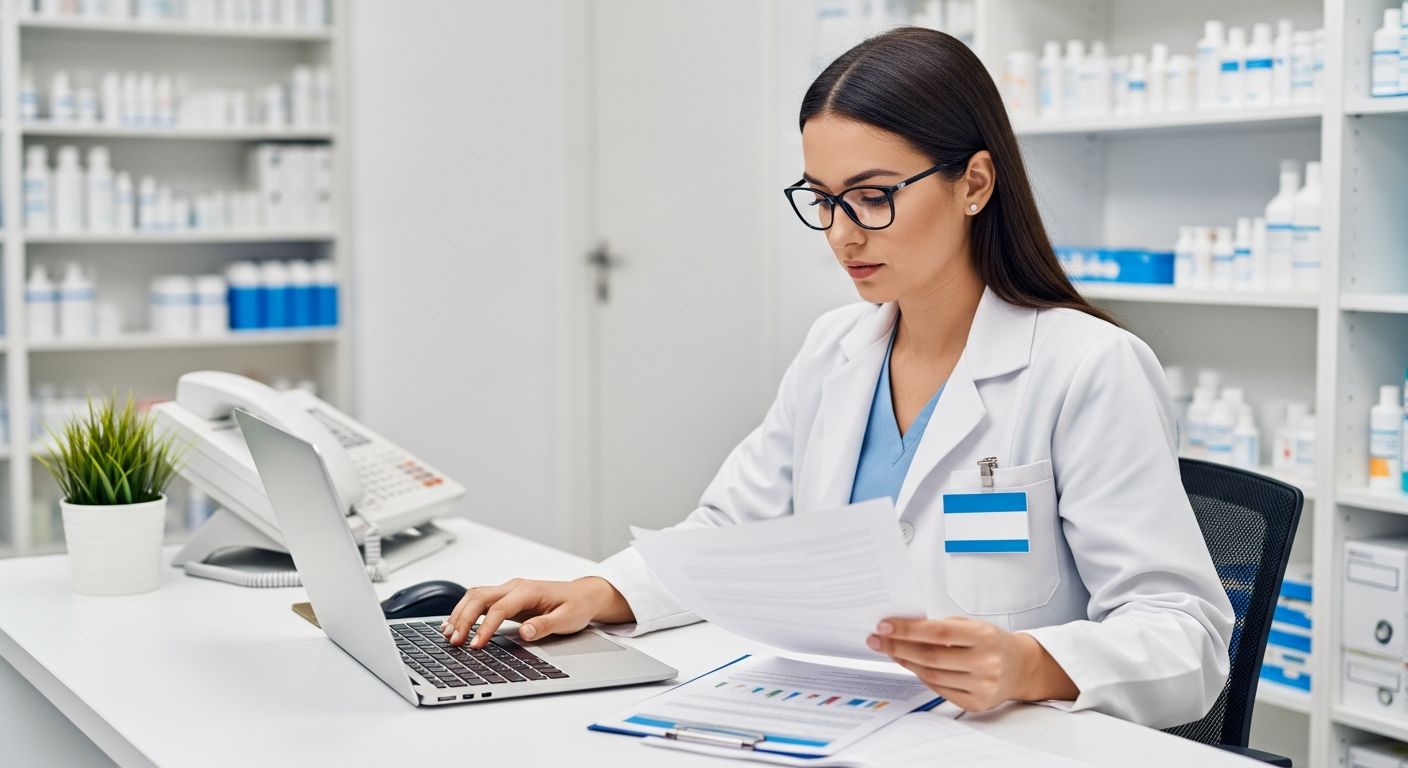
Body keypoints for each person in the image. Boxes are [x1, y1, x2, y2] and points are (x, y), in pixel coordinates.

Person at [440, 27, 1233, 729]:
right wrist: (596, 592)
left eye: (873, 197)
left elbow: (1185, 636)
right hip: (832, 720)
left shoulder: (1086, 368)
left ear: (975, 184)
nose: (842, 234)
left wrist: (1030, 663)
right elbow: (728, 533)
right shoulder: (836, 350)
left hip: (991, 742)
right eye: (823, 200)